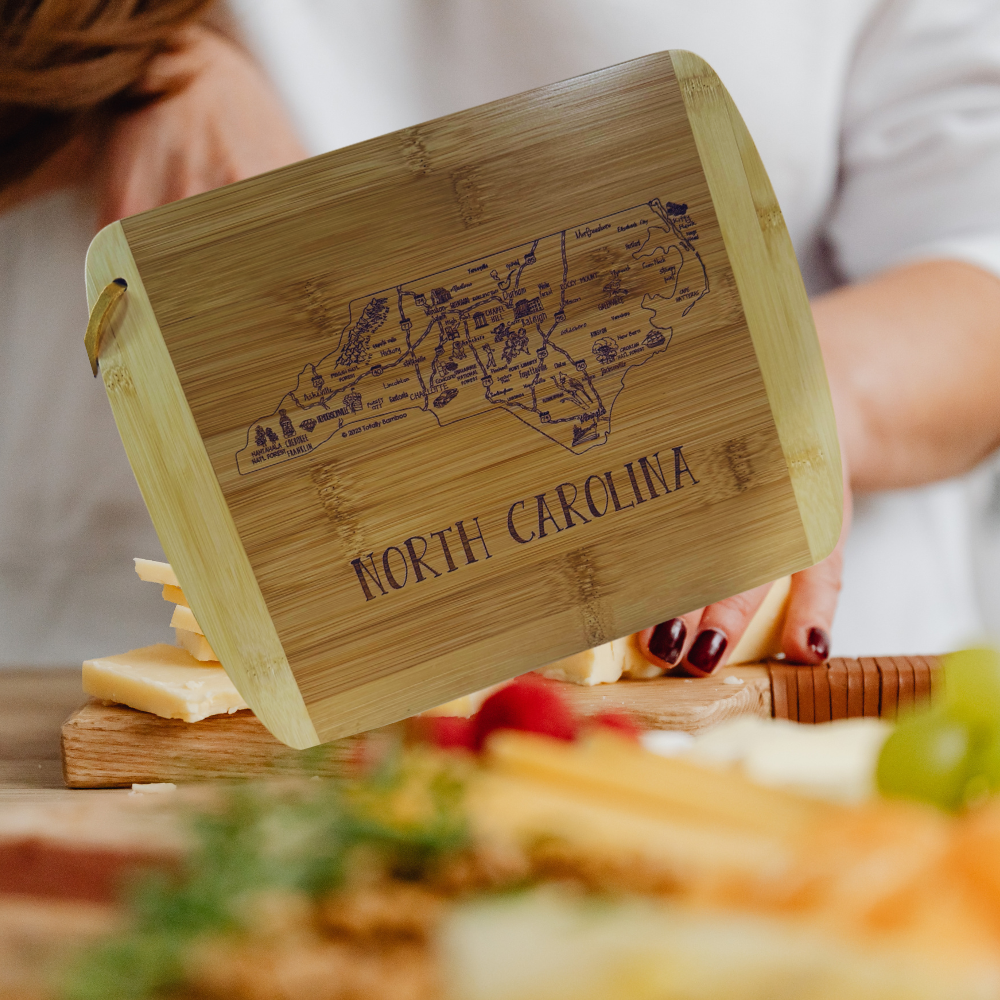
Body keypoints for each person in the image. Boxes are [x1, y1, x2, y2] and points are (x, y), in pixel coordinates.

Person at [3, 0, 999, 677]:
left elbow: (973, 256)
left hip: (740, 720)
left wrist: (783, 395)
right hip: (85, 670)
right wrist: (122, 69)